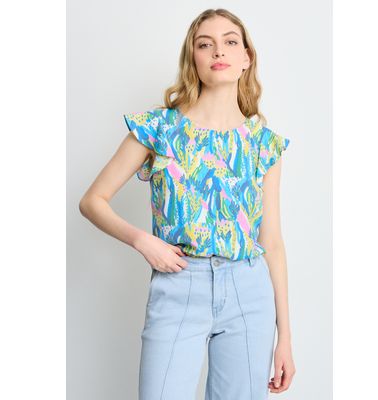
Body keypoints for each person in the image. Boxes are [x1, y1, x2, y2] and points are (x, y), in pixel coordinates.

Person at [79, 8, 296, 400]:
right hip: (179, 283)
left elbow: (273, 243)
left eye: (230, 42)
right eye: (205, 44)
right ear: (192, 58)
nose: (219, 51)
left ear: (246, 58)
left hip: (249, 292)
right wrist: (144, 241)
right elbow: (93, 200)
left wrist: (286, 338)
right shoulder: (159, 128)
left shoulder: (264, 144)